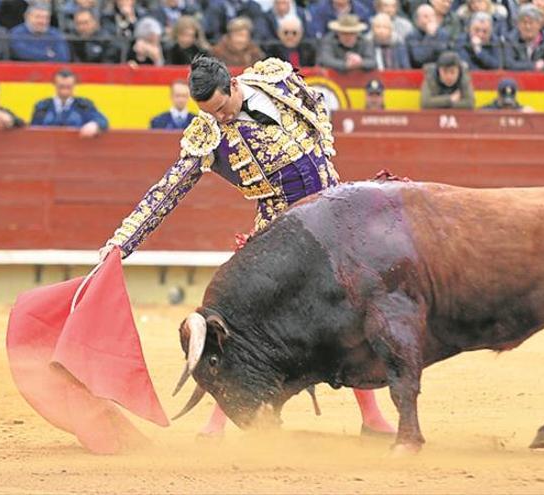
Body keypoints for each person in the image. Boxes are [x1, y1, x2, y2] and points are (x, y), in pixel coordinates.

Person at [98, 55, 395, 438]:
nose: (220, 118)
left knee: (351, 316)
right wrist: (122, 243)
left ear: (234, 85)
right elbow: (167, 190)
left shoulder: (278, 79)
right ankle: (216, 424)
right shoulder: (210, 135)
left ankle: (371, 419)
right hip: (281, 236)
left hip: (335, 225)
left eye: (222, 108)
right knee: (247, 330)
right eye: (210, 113)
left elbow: (317, 120)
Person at [30, 68, 108, 138]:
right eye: (61, 87)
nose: (65, 91)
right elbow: (33, 131)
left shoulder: (83, 106)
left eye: (68, 87)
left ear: (74, 85)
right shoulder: (43, 106)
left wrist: (95, 124)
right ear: (54, 85)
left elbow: (102, 120)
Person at [503, 4, 544, 72]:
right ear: (518, 24)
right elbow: (509, 64)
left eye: (531, 23)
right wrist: (533, 66)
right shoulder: (510, 39)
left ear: (539, 24)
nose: (528, 26)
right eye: (524, 22)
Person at [405, 4, 451, 68]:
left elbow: (445, 57)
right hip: (419, 73)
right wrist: (430, 36)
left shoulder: (443, 34)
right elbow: (419, 59)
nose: (430, 20)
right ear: (417, 20)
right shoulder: (411, 36)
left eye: (432, 16)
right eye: (426, 17)